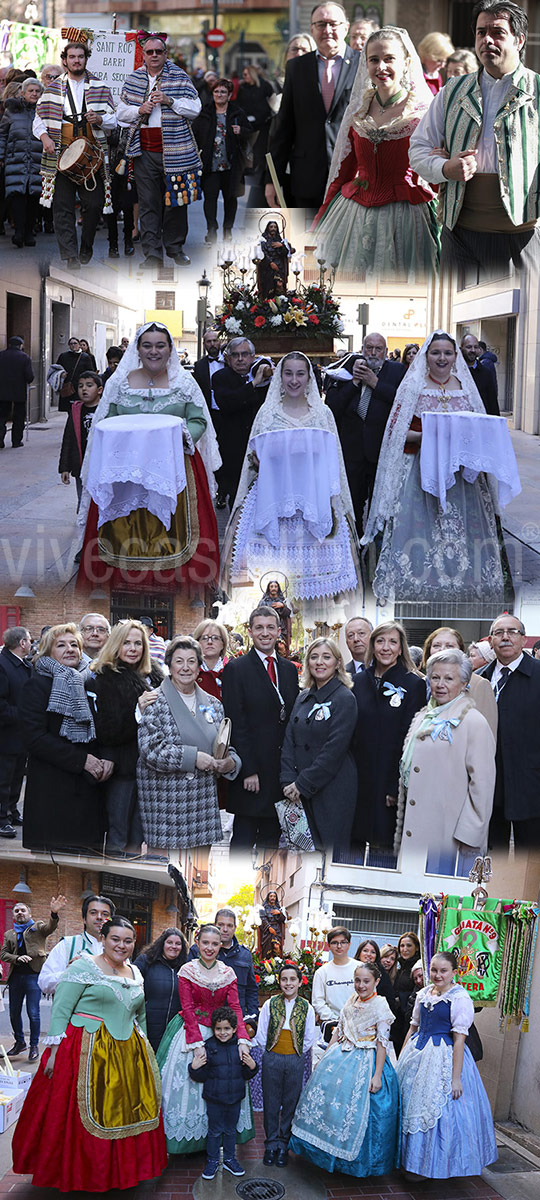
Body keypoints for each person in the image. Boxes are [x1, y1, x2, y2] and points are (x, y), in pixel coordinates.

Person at [12, 916, 168, 1191]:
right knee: (74, 1115)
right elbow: (61, 1010)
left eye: (128, 941)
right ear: (104, 939)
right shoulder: (84, 966)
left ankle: (119, 1173)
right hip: (86, 1050)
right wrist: (55, 1052)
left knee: (124, 1111)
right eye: (115, 939)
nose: (121, 945)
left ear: (134, 944)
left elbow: (140, 1014)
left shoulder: (135, 972)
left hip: (127, 1053)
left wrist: (146, 1053)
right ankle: (84, 1174)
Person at [362, 331, 507, 607]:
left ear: (456, 357)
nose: (442, 358)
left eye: (447, 353)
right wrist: (430, 435)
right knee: (422, 531)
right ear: (426, 357)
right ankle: (421, 584)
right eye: (436, 353)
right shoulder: (413, 387)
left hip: (459, 475)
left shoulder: (465, 388)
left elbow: (478, 432)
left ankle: (460, 587)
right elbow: (396, 433)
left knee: (461, 531)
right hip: (419, 470)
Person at [77, 321, 221, 587]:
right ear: (138, 349)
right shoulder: (120, 384)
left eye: (160, 346)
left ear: (170, 349)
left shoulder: (185, 383)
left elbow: (199, 421)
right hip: (125, 472)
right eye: (147, 346)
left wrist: (181, 435)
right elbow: (105, 421)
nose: (154, 351)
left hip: (173, 467)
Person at [409, 0, 540, 273]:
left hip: (522, 238)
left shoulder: (537, 91)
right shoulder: (453, 90)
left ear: (519, 40)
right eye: (481, 32)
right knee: (456, 315)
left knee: (522, 314)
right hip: (460, 237)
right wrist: (445, 167)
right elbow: (419, 148)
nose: (487, 40)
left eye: (497, 32)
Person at [224, 353, 360, 603]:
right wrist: (261, 461)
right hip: (274, 502)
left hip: (314, 501)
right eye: (288, 373)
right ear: (279, 376)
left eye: (300, 374)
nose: (294, 380)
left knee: (315, 584)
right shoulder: (267, 413)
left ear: (309, 378)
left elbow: (334, 459)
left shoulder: (323, 414)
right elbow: (254, 457)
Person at [312, 27, 439, 281]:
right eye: (374, 60)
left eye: (389, 59)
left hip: (406, 217)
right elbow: (342, 172)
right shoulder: (358, 111)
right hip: (353, 215)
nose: (381, 67)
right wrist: (317, 224)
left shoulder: (424, 112)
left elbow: (435, 174)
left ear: (406, 63)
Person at [290, 961, 400, 1176]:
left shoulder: (381, 1006)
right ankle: (322, 1153)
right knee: (328, 1106)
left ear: (377, 981)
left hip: (367, 1060)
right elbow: (338, 1030)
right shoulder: (352, 999)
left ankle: (350, 1162)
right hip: (340, 1056)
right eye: (357, 980)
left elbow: (381, 1043)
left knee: (358, 1112)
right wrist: (326, 1057)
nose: (360, 985)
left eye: (366, 981)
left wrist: (377, 1076)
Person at [396, 951, 497, 1179]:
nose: (437, 975)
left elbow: (460, 1039)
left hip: (443, 1055)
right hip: (417, 1054)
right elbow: (413, 1028)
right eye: (434, 970)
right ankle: (409, 1160)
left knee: (441, 1112)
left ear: (454, 972)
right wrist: (401, 1057)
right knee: (409, 1104)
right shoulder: (423, 994)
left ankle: (431, 1164)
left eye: (443, 971)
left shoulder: (459, 997)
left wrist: (456, 1077)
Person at [157, 924, 255, 1154]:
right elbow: (188, 1008)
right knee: (190, 1083)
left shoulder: (227, 972)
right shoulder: (187, 970)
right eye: (205, 943)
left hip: (221, 1033)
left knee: (222, 1082)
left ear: (220, 945)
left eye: (214, 943)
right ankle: (188, 1141)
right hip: (191, 1031)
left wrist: (241, 1039)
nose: (210, 948)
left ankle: (214, 1140)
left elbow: (235, 1008)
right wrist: (197, 1045)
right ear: (197, 943)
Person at [396, 649, 496, 875]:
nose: (440, 684)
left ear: (464, 683)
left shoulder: (474, 722)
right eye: (435, 677)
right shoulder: (423, 716)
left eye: (449, 678)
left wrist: (470, 834)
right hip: (416, 828)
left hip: (449, 835)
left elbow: (483, 784)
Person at [137, 635, 239, 850]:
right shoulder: (154, 700)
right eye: (179, 661)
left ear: (199, 666)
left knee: (198, 877)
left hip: (202, 806)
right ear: (169, 665)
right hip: (167, 808)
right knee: (164, 878)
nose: (185, 667)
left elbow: (224, 743)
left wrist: (230, 762)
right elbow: (151, 751)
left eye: (191, 661)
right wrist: (193, 758)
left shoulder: (213, 703)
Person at [19, 623, 111, 852]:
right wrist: (82, 761)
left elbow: (103, 728)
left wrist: (107, 758)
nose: (70, 649)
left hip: (87, 791)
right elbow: (34, 737)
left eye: (74, 645)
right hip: (52, 793)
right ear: (48, 652)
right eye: (61, 645)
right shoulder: (37, 685)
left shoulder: (91, 681)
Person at [118, 32, 202, 267]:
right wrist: (139, 109)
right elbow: (120, 113)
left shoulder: (179, 76)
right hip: (144, 151)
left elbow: (196, 109)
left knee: (176, 200)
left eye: (159, 52)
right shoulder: (134, 78)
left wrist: (170, 100)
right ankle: (152, 254)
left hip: (175, 151)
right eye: (150, 52)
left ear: (166, 54)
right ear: (143, 56)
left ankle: (175, 247)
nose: (154, 55)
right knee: (148, 203)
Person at [266, 2, 360, 209]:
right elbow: (285, 127)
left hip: (352, 178)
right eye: (320, 24)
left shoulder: (363, 65)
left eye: (333, 24)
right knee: (304, 241)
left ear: (345, 27)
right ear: (311, 29)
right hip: (306, 180)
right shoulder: (296, 67)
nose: (327, 30)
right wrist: (272, 179)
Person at [33, 33, 116, 268]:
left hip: (91, 157)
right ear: (65, 60)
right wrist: (45, 137)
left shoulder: (100, 86)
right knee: (62, 207)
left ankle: (86, 245)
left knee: (94, 204)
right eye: (72, 57)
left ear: (86, 59)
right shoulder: (52, 89)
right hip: (61, 155)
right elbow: (38, 120)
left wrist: (100, 118)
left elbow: (114, 120)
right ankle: (70, 255)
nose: (76, 60)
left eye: (80, 56)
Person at [221, 606, 299, 850]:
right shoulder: (237, 668)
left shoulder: (288, 669)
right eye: (259, 628)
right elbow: (237, 721)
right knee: (243, 840)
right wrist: (249, 770)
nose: (265, 633)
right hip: (251, 772)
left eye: (270, 628)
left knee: (271, 841)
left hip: (279, 771)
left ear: (279, 631)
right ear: (250, 631)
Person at [90, 620, 164, 855]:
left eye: (138, 643)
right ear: (116, 645)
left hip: (150, 769)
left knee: (137, 838)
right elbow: (107, 731)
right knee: (118, 836)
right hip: (122, 769)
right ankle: (112, 885)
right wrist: (138, 711)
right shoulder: (106, 677)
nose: (133, 648)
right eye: (126, 643)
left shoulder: (153, 675)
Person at [352, 621, 426, 852]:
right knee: (349, 847)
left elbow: (410, 739)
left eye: (392, 642)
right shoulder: (357, 681)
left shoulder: (413, 684)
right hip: (356, 780)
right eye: (380, 641)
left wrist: (395, 786)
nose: (386, 647)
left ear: (401, 648)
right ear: (372, 646)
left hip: (387, 781)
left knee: (381, 849)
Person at [280, 637, 358, 851]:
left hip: (332, 789)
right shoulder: (303, 696)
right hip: (297, 790)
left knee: (329, 855)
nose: (319, 662)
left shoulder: (344, 698)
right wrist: (288, 780)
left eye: (326, 657)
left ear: (338, 663)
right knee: (303, 853)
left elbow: (334, 749)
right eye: (314, 657)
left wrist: (303, 783)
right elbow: (289, 740)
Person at [325, 332, 405, 536]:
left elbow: (403, 403)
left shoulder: (397, 371)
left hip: (382, 451)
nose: (373, 353)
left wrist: (374, 383)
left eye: (378, 349)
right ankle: (354, 543)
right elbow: (332, 407)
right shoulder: (347, 369)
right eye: (369, 348)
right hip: (351, 451)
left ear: (386, 352)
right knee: (352, 502)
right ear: (362, 349)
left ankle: (376, 546)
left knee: (381, 505)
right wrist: (354, 383)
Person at [480, 613, 540, 848]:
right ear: (491, 641)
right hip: (490, 785)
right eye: (499, 633)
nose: (505, 637)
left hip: (531, 784)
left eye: (512, 632)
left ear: (523, 640)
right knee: (493, 855)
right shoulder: (479, 678)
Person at [254, 964, 316, 1168]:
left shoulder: (307, 1007)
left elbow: (308, 1037)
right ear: (279, 982)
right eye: (284, 979)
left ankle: (283, 1144)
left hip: (295, 1058)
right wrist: (271, 1052)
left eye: (292, 979)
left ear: (300, 982)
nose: (288, 983)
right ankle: (270, 1143)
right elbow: (262, 1033)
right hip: (272, 1057)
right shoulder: (271, 1003)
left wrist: (296, 1053)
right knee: (271, 1102)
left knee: (290, 1102)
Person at [189, 1005, 258, 1180]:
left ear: (234, 1029)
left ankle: (229, 1159)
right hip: (214, 1099)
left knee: (230, 1130)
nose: (223, 1032)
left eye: (227, 1028)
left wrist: (252, 1066)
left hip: (234, 1098)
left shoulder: (240, 1048)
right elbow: (202, 1075)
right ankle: (212, 1160)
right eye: (218, 1029)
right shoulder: (209, 1046)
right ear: (213, 1029)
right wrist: (194, 1068)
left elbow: (245, 1073)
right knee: (214, 1131)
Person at [0, 896, 66, 1062]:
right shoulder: (10, 934)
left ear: (29, 913)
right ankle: (20, 1042)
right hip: (15, 977)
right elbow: (3, 954)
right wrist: (16, 958)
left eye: (23, 910)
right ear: (14, 916)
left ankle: (34, 1046)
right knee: (14, 1012)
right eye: (17, 911)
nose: (20, 913)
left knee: (33, 1012)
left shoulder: (38, 927)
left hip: (34, 976)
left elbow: (51, 927)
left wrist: (54, 913)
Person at [212, 337, 272, 509]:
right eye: (235, 355)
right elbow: (227, 403)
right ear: (228, 359)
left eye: (244, 354)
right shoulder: (220, 377)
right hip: (233, 447)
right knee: (237, 498)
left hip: (261, 444)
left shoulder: (266, 378)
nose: (240, 359)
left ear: (253, 356)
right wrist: (253, 384)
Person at [193, 78, 249, 244]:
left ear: (229, 95)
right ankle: (211, 229)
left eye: (223, 92)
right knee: (210, 199)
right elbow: (195, 135)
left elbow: (251, 134)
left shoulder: (237, 113)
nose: (219, 94)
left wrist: (242, 131)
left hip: (232, 165)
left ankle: (227, 229)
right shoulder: (205, 113)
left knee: (231, 198)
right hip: (210, 164)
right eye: (216, 91)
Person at [421, 626, 498, 737]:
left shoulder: (478, 684)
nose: (442, 649)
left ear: (461, 651)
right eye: (436, 645)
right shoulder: (421, 684)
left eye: (450, 646)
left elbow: (487, 734)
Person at [187, 907, 259, 1019]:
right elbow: (187, 987)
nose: (225, 929)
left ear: (235, 928)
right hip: (205, 1018)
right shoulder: (198, 951)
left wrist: (252, 1015)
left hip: (236, 1019)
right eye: (221, 925)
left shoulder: (245, 955)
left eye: (229, 925)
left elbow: (251, 989)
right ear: (215, 925)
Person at [38, 894, 115, 995]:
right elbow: (44, 983)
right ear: (84, 919)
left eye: (105, 914)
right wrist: (71, 972)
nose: (99, 917)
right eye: (93, 913)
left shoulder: (117, 948)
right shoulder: (67, 945)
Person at [0, 77, 43, 248]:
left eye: (37, 91)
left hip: (37, 159)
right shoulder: (11, 111)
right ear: (23, 93)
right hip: (15, 158)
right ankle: (18, 232)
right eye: (30, 90)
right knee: (17, 194)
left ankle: (28, 232)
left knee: (33, 196)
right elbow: (2, 134)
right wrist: (1, 156)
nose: (34, 93)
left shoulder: (44, 112)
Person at [0, 626, 33, 837]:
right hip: (6, 734)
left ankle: (11, 811)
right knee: (3, 778)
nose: (31, 644)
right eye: (29, 640)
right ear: (22, 643)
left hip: (22, 734)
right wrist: (24, 714)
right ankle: (1, 819)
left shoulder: (23, 665)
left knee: (16, 777)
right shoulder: (2, 665)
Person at [134, 927, 188, 1051]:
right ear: (162, 943)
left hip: (173, 1030)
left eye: (178, 944)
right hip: (147, 1026)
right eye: (169, 942)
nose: (173, 946)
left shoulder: (185, 968)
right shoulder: (146, 960)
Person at [58, 370, 103, 508]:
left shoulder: (106, 411)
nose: (84, 389)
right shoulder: (76, 410)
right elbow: (68, 439)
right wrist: (64, 468)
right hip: (81, 464)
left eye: (89, 385)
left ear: (100, 390)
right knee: (83, 502)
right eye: (80, 386)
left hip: (101, 465)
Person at [311, 927, 357, 1043]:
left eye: (343, 942)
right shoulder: (322, 972)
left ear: (349, 944)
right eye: (335, 943)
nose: (339, 946)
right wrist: (335, 1019)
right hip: (333, 1025)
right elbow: (318, 1001)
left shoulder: (359, 968)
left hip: (358, 1024)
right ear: (329, 946)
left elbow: (369, 996)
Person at [237, 66, 274, 205]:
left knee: (260, 146)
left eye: (246, 74)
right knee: (248, 146)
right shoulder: (244, 88)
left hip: (262, 122)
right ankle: (249, 167)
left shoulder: (264, 86)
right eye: (243, 74)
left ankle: (258, 168)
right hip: (248, 122)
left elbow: (272, 99)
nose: (244, 76)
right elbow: (240, 103)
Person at [0, 335, 34, 450]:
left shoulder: (1, 355)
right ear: (20, 345)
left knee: (1, 417)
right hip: (19, 392)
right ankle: (16, 441)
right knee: (19, 417)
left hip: (2, 392)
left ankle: (0, 441)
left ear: (9, 345)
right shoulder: (25, 357)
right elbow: (30, 377)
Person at [391, 931, 421, 1055]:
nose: (405, 949)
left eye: (409, 946)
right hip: (397, 1021)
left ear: (417, 947)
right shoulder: (397, 968)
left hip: (411, 1020)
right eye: (402, 946)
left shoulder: (419, 968)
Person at [460, 333, 499, 415]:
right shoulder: (455, 373)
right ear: (461, 349)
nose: (473, 350)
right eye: (469, 347)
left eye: (476, 347)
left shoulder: (486, 373)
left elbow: (492, 402)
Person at [256, 219, 295, 298]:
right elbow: (262, 253)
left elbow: (285, 253)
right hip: (268, 269)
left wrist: (282, 245)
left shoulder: (280, 240)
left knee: (280, 289)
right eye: (271, 227)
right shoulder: (263, 240)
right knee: (268, 289)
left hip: (280, 269)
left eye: (275, 227)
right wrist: (270, 263)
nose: (273, 228)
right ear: (268, 228)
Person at [354, 939, 396, 1010]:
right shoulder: (351, 967)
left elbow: (389, 999)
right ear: (359, 953)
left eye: (373, 952)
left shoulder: (382, 974)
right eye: (365, 951)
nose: (369, 954)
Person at [192, 618, 229, 698]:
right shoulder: (189, 671)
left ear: (223, 643)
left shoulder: (231, 671)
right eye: (204, 638)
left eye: (215, 638)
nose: (210, 642)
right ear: (197, 642)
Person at [56, 336, 93, 409]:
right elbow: (57, 368)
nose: (73, 345)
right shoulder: (63, 356)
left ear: (79, 345)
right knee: (68, 408)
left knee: (79, 407)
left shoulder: (85, 357)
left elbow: (90, 371)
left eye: (75, 343)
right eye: (71, 344)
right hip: (67, 386)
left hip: (80, 386)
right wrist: (61, 374)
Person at [259, 891, 287, 958]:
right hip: (267, 930)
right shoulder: (263, 908)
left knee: (276, 947)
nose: (272, 898)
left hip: (276, 929)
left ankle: (276, 962)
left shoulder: (278, 908)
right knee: (267, 948)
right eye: (271, 896)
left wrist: (279, 913)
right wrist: (269, 927)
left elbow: (283, 919)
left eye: (274, 896)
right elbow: (263, 918)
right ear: (268, 897)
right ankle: (266, 962)